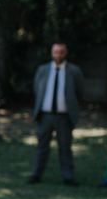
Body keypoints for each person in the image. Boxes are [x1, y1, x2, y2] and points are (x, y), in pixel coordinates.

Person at [28, 42, 83, 185]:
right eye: (55, 52)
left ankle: (68, 176)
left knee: (65, 148)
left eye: (61, 52)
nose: (58, 55)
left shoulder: (74, 71)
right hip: (45, 115)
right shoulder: (43, 70)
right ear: (52, 53)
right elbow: (36, 89)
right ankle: (36, 174)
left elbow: (79, 92)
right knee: (42, 147)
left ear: (65, 53)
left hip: (64, 116)